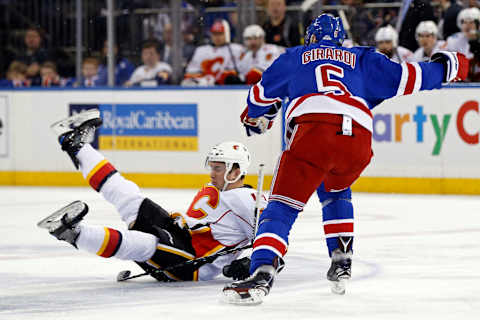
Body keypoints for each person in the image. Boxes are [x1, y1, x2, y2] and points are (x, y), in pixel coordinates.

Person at [222, 13, 468, 304]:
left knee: (282, 206)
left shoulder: (296, 56)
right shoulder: (363, 58)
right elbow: (409, 77)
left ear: (310, 36)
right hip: (358, 142)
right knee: (335, 186)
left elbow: (257, 100)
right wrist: (450, 66)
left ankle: (262, 271)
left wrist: (261, 114)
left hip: (314, 133)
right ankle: (341, 258)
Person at [38, 109, 265, 282]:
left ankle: (73, 233)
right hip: (180, 233)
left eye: (219, 168)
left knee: (147, 244)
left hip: (193, 262)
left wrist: (252, 263)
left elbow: (273, 238)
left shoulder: (248, 199)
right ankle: (75, 144)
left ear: (237, 171)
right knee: (129, 196)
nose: (212, 172)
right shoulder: (215, 188)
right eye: (212, 166)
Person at [182, 20, 244, 86]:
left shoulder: (236, 49)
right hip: (204, 86)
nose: (217, 37)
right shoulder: (201, 50)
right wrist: (204, 80)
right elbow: (191, 72)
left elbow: (240, 73)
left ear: (227, 34)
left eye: (220, 34)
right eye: (214, 34)